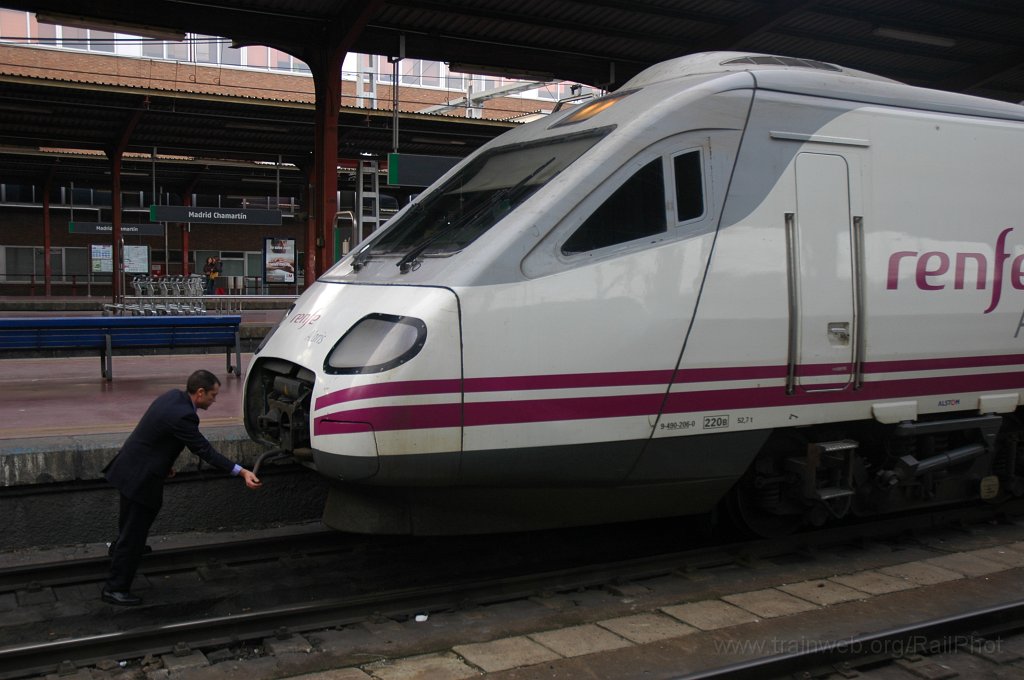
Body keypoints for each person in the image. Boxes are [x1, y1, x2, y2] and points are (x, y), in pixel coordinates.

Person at [101, 369, 262, 606]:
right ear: (200, 393)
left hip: (130, 467)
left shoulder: (172, 397)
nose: (214, 401)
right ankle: (115, 588)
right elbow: (205, 451)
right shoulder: (185, 416)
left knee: (130, 522)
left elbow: (156, 434)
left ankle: (119, 550)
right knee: (135, 532)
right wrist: (242, 471)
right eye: (213, 395)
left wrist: (163, 464)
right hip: (141, 478)